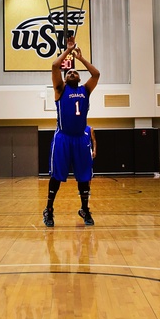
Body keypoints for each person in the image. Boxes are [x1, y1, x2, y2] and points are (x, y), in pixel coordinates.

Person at [44, 36, 100, 227]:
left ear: (79, 77)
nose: (72, 73)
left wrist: (82, 58)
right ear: (66, 79)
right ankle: (49, 210)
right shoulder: (60, 89)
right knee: (57, 176)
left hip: (80, 139)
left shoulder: (86, 90)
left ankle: (85, 209)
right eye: (69, 72)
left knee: (84, 177)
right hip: (63, 138)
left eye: (75, 72)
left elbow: (96, 74)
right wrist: (68, 50)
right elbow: (54, 66)